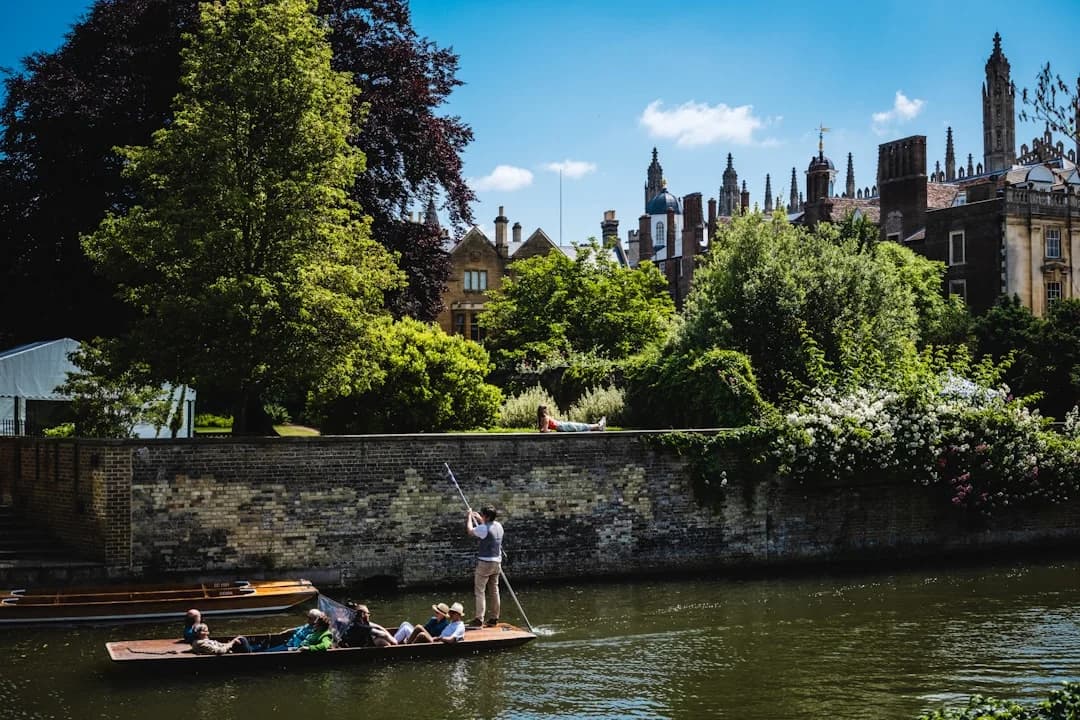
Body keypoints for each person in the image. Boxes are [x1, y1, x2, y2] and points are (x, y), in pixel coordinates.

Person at [466, 505, 504, 628]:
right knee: (494, 590)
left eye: (482, 515)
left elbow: (470, 531)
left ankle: (478, 619)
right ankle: (494, 618)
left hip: (485, 564)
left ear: (486, 517)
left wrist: (469, 517)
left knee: (480, 591)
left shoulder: (483, 528)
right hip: (497, 563)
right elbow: (487, 527)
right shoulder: (499, 526)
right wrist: (479, 518)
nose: (481, 516)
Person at [537, 404, 605, 432]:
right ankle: (599, 425)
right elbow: (545, 430)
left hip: (561, 426)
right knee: (581, 426)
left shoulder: (541, 418)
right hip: (562, 426)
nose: (546, 410)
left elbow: (542, 429)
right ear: (543, 411)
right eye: (545, 409)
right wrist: (549, 430)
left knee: (581, 427)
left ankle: (598, 427)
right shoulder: (545, 418)